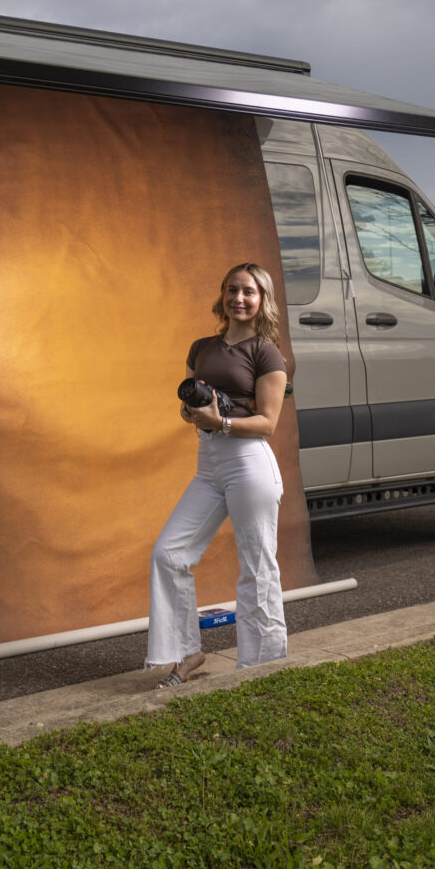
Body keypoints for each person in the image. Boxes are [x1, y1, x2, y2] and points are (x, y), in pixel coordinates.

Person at [147, 262, 289, 688]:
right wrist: (192, 411)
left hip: (249, 462)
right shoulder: (201, 347)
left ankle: (261, 665)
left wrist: (221, 423)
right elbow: (191, 402)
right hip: (208, 464)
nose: (239, 298)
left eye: (249, 291)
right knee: (169, 554)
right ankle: (186, 652)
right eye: (232, 290)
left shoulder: (267, 352)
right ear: (222, 295)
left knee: (256, 564)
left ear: (261, 300)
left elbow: (267, 422)